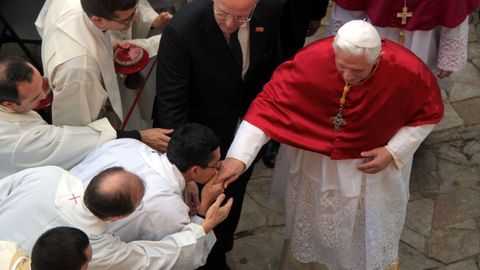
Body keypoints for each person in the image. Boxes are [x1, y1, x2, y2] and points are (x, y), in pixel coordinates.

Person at [217, 20, 444, 269]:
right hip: (318, 163)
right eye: (342, 67)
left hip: (371, 167)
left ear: (376, 58)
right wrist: (239, 157)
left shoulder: (408, 71)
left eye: (357, 71)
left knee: (364, 231)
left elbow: (428, 114)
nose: (347, 77)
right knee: (313, 224)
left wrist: (394, 150)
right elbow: (269, 106)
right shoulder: (310, 61)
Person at [151, 0, 283, 267]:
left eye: (242, 18)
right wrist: (186, 170)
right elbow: (171, 104)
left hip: (244, 130)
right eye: (223, 14)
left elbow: (271, 71)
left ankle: (220, 249)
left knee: (234, 192)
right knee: (196, 204)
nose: (231, 24)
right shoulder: (183, 29)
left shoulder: (270, 12)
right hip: (199, 142)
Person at [0, 166, 232, 269]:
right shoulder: (98, 247)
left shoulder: (49, 175)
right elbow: (159, 258)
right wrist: (203, 223)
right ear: (115, 218)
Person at [0, 56, 172, 178]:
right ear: (8, 104)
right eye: (36, 97)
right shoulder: (21, 140)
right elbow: (69, 142)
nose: (45, 97)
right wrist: (139, 136)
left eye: (42, 86)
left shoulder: (11, 103)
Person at [69, 123, 224, 250]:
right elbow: (181, 255)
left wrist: (189, 181)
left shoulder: (127, 144)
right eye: (216, 166)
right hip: (87, 249)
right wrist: (204, 209)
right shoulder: (171, 211)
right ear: (195, 170)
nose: (218, 170)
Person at [34, 0, 169, 131]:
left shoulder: (92, 10)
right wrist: (138, 136)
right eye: (126, 19)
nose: (135, 18)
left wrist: (106, 46)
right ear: (98, 20)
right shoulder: (81, 72)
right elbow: (79, 132)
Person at [329, 0, 480, 78]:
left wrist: (449, 55)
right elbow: (350, 7)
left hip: (424, 41)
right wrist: (345, 45)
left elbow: (455, 10)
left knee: (415, 89)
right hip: (371, 35)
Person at [262, 0, 329, 168]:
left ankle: (273, 136)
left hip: (294, 10)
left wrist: (316, 13)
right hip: (255, 9)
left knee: (286, 69)